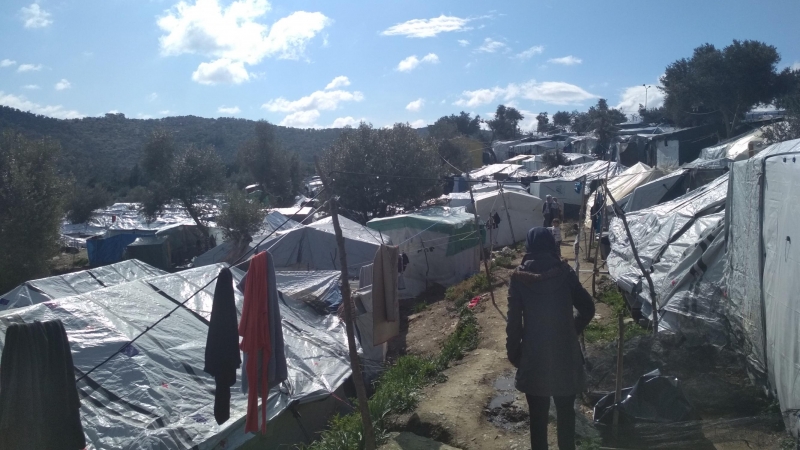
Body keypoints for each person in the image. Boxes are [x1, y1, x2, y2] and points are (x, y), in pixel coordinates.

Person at [506, 228, 595, 450]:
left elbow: (514, 324)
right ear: (550, 245)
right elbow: (587, 308)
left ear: (529, 247)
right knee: (566, 417)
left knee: (538, 422)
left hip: (534, 358)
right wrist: (570, 329)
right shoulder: (565, 273)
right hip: (565, 356)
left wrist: (516, 355)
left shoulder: (518, 278)